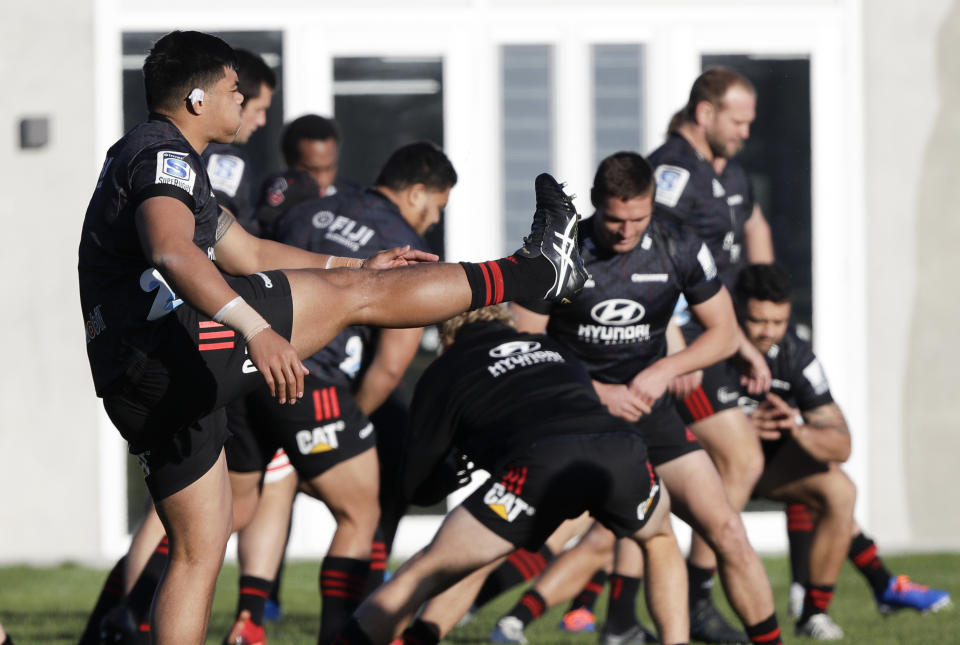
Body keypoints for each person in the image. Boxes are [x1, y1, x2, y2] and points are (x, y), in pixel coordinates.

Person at [78, 30, 587, 645]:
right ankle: (535, 272)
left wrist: (352, 267)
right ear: (194, 99)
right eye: (234, 90)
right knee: (358, 306)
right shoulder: (165, 156)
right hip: (169, 351)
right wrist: (258, 328)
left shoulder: (154, 155)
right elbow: (171, 250)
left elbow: (249, 250)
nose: (244, 102)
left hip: (137, 379)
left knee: (199, 547)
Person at [501, 151, 781, 645]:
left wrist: (664, 371)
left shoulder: (679, 245)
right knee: (511, 533)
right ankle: (452, 619)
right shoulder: (560, 253)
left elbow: (723, 332)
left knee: (727, 532)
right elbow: (526, 344)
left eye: (638, 218)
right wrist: (600, 393)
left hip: (652, 415)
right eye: (614, 219)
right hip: (578, 415)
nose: (626, 231)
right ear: (593, 205)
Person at [331, 305, 687, 645]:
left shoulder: (445, 368)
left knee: (423, 573)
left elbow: (417, 487)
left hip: (542, 459)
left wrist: (456, 468)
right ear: (505, 318)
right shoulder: (550, 347)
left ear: (443, 330)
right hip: (621, 446)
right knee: (659, 541)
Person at [223, 141, 459, 645]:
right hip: (309, 382)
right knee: (360, 514)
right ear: (417, 193)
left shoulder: (313, 209)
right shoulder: (402, 246)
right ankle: (338, 638)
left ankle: (214, 617)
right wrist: (354, 419)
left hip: (246, 368)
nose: (435, 220)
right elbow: (392, 365)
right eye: (437, 206)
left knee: (232, 509)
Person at [732, 264, 951, 639]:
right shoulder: (710, 344)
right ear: (737, 311)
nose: (768, 331)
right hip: (710, 467)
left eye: (778, 321)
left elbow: (841, 444)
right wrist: (733, 428)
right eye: (757, 320)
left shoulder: (796, 356)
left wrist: (797, 429)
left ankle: (813, 613)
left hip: (766, 471)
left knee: (840, 490)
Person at [648, 66, 775, 644]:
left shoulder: (728, 174)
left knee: (722, 468)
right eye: (738, 120)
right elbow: (646, 246)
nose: (746, 131)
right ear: (705, 113)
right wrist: (673, 338)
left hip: (710, 340)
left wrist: (749, 335)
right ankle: (694, 601)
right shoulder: (673, 169)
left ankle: (666, 608)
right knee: (738, 460)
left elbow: (746, 241)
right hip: (679, 345)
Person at [203, 48, 277, 235]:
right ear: (237, 100)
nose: (262, 121)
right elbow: (216, 232)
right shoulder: (226, 159)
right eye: (259, 109)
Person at [254, 115, 362, 240]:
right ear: (288, 161)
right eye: (311, 170)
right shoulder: (278, 196)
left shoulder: (354, 199)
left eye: (329, 168)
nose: (322, 179)